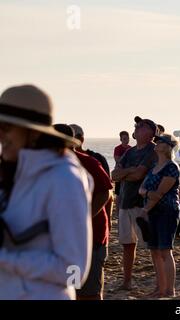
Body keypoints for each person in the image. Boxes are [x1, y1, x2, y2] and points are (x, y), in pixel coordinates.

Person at [0, 84, 92, 299]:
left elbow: (74, 273)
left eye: (7, 127)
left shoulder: (64, 179)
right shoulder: (12, 175)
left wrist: (5, 258)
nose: (0, 135)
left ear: (32, 133)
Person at [54, 124, 113, 300]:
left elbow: (106, 192)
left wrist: (85, 216)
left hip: (91, 238)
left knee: (89, 292)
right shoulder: (51, 165)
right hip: (65, 241)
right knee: (73, 289)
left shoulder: (87, 162)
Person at [111, 116, 157, 291]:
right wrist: (130, 171)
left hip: (142, 204)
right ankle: (127, 281)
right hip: (125, 202)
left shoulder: (151, 151)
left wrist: (126, 173)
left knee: (153, 246)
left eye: (141, 125)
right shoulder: (130, 152)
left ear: (150, 133)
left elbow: (139, 176)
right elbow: (114, 175)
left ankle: (160, 283)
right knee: (127, 245)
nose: (136, 127)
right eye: (136, 125)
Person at [138, 134, 180, 298]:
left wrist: (145, 208)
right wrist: (148, 195)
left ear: (168, 146)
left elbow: (159, 194)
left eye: (160, 141)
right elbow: (142, 189)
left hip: (167, 211)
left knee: (165, 250)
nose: (156, 143)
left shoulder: (171, 167)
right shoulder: (154, 166)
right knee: (154, 251)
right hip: (153, 212)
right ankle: (159, 288)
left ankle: (169, 290)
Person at [70, 123, 114, 233]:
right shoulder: (61, 161)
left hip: (95, 224)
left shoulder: (95, 160)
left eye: (73, 137)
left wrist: (109, 218)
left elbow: (107, 192)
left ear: (81, 139)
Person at [114, 131, 131, 200]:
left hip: (128, 173)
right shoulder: (117, 148)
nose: (126, 140)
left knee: (127, 192)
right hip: (119, 172)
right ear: (121, 139)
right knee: (118, 193)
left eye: (127, 139)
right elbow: (118, 160)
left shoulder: (131, 148)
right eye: (124, 139)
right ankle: (118, 210)